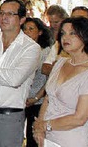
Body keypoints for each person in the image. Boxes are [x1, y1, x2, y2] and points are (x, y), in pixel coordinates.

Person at [0, 0, 41, 147]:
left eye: (10, 14)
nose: (4, 17)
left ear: (22, 19)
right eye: (1, 13)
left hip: (9, 117)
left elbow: (14, 80)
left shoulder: (30, 48)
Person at [32, 17, 88, 147]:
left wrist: (45, 125)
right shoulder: (60, 63)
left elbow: (79, 118)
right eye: (63, 33)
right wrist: (40, 126)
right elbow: (48, 98)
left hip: (73, 140)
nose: (65, 38)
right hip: (47, 138)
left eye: (72, 33)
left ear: (86, 36)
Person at [22, 17, 54, 147]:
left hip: (38, 101)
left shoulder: (46, 52)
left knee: (33, 138)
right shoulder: (21, 51)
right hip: (22, 99)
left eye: (31, 29)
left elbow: (50, 80)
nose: (27, 32)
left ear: (40, 32)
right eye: (24, 29)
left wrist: (36, 97)